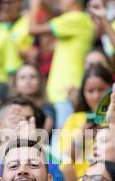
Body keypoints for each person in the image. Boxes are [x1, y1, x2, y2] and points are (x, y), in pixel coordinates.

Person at [29, 0, 95, 128]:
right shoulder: (78, 20)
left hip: (65, 92)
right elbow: (47, 45)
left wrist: (34, 4)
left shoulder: (75, 18)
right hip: (63, 92)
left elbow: (32, 29)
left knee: (60, 144)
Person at [13, 63, 56, 134]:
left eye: (33, 77)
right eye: (22, 77)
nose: (28, 81)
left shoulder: (47, 108)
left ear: (40, 81)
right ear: (15, 83)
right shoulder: (10, 106)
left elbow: (43, 135)